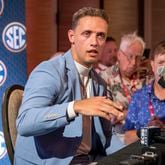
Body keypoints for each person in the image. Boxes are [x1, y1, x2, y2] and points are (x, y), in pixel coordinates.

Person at [14, 7, 124, 165]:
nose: (94, 42)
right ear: (72, 37)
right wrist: (75, 107)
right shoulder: (49, 71)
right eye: (87, 34)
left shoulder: (99, 83)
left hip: (90, 159)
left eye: (100, 35)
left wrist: (131, 157)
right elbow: (25, 123)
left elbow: (107, 137)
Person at [99, 32, 149, 153]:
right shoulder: (105, 77)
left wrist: (126, 114)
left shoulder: (146, 78)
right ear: (120, 55)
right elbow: (109, 115)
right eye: (130, 56)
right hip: (116, 138)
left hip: (144, 136)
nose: (133, 63)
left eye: (138, 58)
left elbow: (154, 111)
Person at [124, 41, 165, 145]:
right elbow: (127, 137)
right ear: (152, 65)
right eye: (161, 63)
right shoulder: (139, 97)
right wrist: (146, 131)